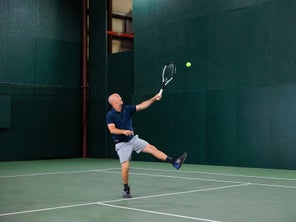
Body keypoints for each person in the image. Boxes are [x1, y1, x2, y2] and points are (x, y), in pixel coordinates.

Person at [106, 93, 187, 198]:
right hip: (121, 143)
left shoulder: (127, 109)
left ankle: (174, 162)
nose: (121, 97)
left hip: (132, 139)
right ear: (113, 101)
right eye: (118, 97)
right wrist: (123, 131)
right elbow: (112, 129)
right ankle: (126, 189)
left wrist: (153, 98)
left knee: (152, 148)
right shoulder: (110, 115)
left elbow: (142, 105)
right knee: (125, 166)